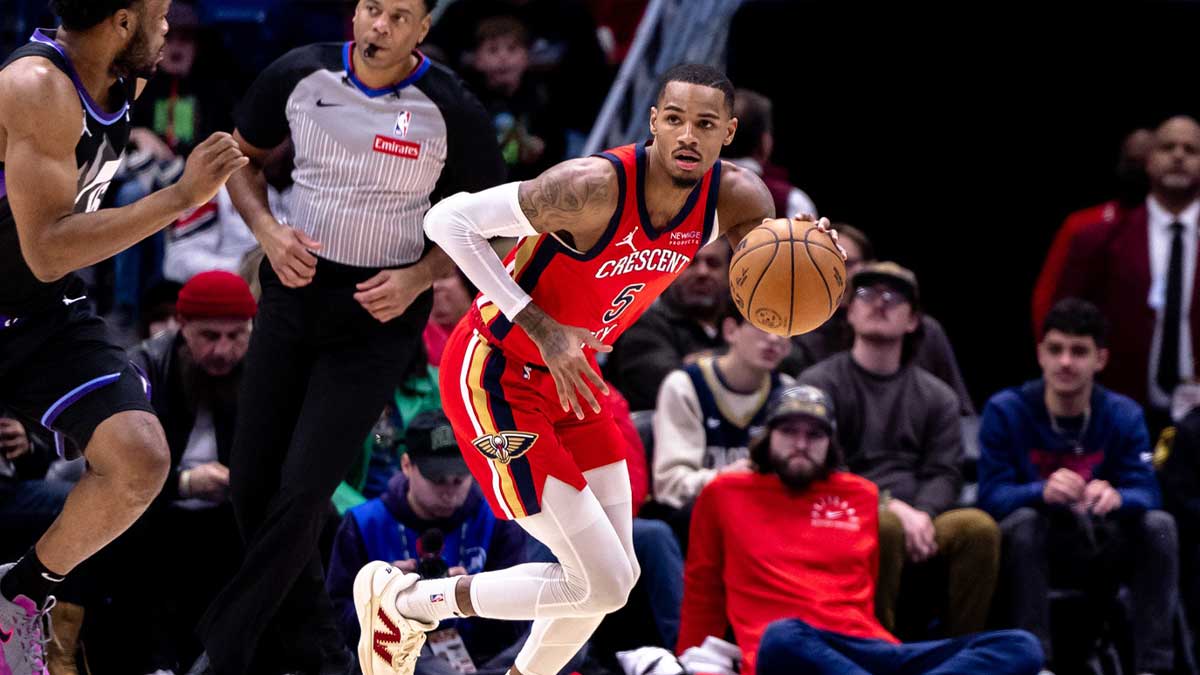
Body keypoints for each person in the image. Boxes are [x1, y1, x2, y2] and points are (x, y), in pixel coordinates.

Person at [352, 62, 841, 675]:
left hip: (572, 379)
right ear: (654, 123)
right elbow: (446, 221)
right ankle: (411, 602)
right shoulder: (590, 187)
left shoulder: (739, 198)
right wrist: (540, 325)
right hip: (496, 369)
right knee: (602, 581)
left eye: (706, 124)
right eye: (676, 120)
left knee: (617, 576)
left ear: (729, 133)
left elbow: (769, 278)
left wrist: (811, 249)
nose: (689, 135)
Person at [191, 0, 505, 673]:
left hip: (379, 314)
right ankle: (321, 656)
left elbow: (491, 224)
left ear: (423, 29)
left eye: (398, 15)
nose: (379, 26)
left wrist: (422, 275)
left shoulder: (451, 108)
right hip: (292, 291)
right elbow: (234, 158)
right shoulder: (298, 75)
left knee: (304, 490)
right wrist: (269, 232)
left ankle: (221, 652)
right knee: (251, 485)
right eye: (370, 9)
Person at [0, 0, 246, 671]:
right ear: (122, 22)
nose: (169, 27)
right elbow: (48, 246)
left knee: (140, 459)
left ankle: (21, 593)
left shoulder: (125, 77)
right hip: (29, 282)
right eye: (160, 14)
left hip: (42, 312)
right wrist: (178, 197)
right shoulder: (35, 87)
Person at [678, 385, 1044, 675]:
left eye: (815, 434)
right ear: (767, 436)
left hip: (871, 648)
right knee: (783, 635)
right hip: (789, 651)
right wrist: (686, 659)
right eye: (789, 431)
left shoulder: (861, 494)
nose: (802, 444)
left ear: (831, 442)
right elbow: (701, 588)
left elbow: (866, 592)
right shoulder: (724, 493)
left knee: (1021, 647)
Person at [978, 298, 1177, 675]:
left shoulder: (1123, 413)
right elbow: (989, 496)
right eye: (1055, 350)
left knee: (1159, 526)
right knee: (1023, 523)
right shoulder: (1006, 409)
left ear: (1100, 359)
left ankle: (1155, 667)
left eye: (1078, 351)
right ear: (1040, 354)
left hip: (1102, 543)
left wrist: (1119, 496)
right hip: (1034, 550)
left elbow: (1149, 492)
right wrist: (1040, 492)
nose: (1065, 362)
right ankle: (1037, 664)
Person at [798, 263, 997, 637]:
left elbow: (945, 471)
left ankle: (962, 654)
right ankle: (876, 650)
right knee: (884, 526)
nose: (879, 304)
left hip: (921, 515)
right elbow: (822, 468)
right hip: (843, 513)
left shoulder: (938, 395)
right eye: (865, 295)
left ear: (913, 320)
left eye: (893, 297)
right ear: (849, 312)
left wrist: (921, 513)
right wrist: (887, 506)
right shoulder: (819, 384)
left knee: (977, 528)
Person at [327, 411, 530, 674]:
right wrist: (388, 603)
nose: (449, 491)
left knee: (563, 636)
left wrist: (476, 598)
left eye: (459, 479)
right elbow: (335, 622)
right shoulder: (363, 524)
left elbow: (520, 618)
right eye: (436, 480)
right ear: (406, 465)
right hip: (402, 658)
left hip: (484, 657)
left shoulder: (497, 519)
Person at [1055, 116, 1200, 430]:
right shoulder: (1099, 238)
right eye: (1167, 147)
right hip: (1119, 415)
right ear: (1148, 161)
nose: (1178, 155)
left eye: (1191, 149)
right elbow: (1065, 325)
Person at [650, 304, 792, 548]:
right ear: (730, 331)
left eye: (784, 329)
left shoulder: (789, 392)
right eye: (764, 323)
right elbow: (669, 485)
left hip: (768, 521)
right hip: (696, 523)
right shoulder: (685, 385)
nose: (773, 338)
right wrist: (725, 479)